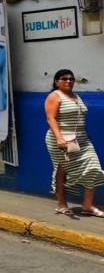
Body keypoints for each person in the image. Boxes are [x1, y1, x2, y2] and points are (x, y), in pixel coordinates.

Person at [44, 69, 104, 217]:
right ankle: (62, 204)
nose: (68, 81)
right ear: (57, 81)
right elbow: (51, 118)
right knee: (62, 172)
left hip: (82, 141)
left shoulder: (75, 96)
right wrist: (59, 138)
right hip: (63, 140)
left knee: (94, 168)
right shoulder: (54, 96)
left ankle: (87, 205)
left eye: (71, 79)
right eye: (64, 79)